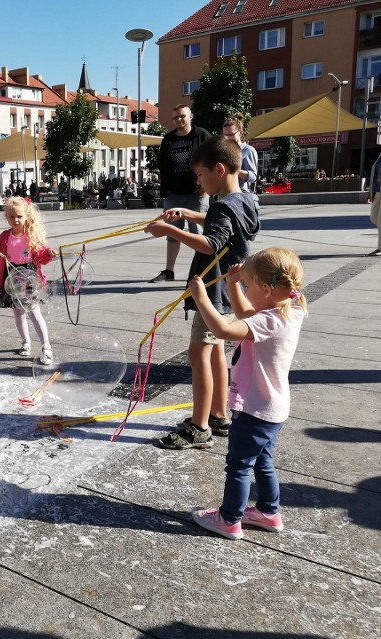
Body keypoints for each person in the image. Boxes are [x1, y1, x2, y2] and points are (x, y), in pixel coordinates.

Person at [145, 135, 259, 450]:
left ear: (219, 170)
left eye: (200, 174)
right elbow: (220, 224)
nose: (198, 180)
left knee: (198, 353)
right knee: (215, 352)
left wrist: (170, 231)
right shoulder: (244, 200)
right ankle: (220, 415)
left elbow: (212, 242)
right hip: (229, 290)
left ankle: (199, 428)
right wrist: (187, 214)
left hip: (213, 290)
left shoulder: (223, 207)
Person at [188, 248, 307, 539]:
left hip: (254, 408)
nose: (247, 290)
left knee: (239, 466)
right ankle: (269, 512)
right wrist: (233, 284)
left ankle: (229, 519)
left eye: (250, 286)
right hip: (273, 408)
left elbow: (225, 329)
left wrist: (202, 298)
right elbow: (246, 314)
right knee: (263, 461)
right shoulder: (289, 310)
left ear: (266, 289)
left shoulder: (269, 321)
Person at [0, 196, 58, 364]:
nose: (15, 220)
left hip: (29, 278)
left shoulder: (31, 235)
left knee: (34, 311)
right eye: (11, 216)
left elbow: (40, 254)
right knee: (18, 313)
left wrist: (48, 254)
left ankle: (46, 346)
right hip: (11, 277)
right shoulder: (5, 236)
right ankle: (25, 342)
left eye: (19, 216)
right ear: (6, 217)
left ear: (26, 217)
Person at [150, 104, 211, 283]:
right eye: (175, 118)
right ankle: (169, 271)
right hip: (174, 193)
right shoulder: (168, 139)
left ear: (191, 116)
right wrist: (166, 188)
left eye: (182, 116)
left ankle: (202, 272)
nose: (179, 121)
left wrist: (205, 186)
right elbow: (163, 164)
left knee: (199, 234)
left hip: (196, 193)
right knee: (172, 232)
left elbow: (212, 159)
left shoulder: (202, 136)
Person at [222, 114, 258, 193]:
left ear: (240, 133)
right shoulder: (222, 150)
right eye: (225, 135)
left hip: (240, 192)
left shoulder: (247, 150)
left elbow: (253, 177)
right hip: (223, 192)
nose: (227, 138)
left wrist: (234, 170)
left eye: (231, 135)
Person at [369, 154, 381, 256]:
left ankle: (380, 248)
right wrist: (371, 193)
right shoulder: (379, 156)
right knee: (374, 217)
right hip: (378, 191)